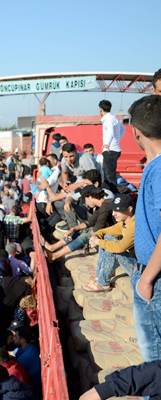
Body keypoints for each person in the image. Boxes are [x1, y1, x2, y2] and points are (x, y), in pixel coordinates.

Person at [130, 95, 161, 362]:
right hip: (150, 271)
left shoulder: (159, 169)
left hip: (155, 278)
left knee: (154, 358)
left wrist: (147, 279)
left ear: (136, 131)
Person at [83, 193, 136, 292]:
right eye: (113, 210)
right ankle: (99, 277)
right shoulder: (124, 223)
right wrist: (95, 236)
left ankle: (103, 283)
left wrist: (98, 241)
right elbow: (104, 231)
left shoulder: (135, 225)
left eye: (118, 210)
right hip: (133, 262)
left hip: (140, 269)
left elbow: (120, 247)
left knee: (110, 243)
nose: (113, 214)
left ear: (129, 209)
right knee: (107, 237)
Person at [99, 99, 125, 193]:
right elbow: (123, 129)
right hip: (114, 148)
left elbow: (110, 131)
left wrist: (107, 143)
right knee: (107, 174)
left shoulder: (108, 119)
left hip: (110, 150)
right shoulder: (115, 118)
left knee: (109, 176)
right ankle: (108, 193)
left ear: (100, 109)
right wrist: (117, 140)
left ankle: (113, 194)